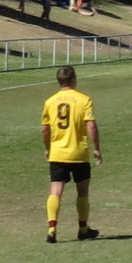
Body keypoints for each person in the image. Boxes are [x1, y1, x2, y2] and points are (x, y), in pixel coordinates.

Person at [41, 64, 101, 243]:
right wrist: (97, 148)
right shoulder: (84, 99)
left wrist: (48, 148)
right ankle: (83, 229)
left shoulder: (50, 101)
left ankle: (52, 228)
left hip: (57, 153)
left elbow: (44, 129)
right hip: (78, 152)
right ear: (74, 79)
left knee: (55, 189)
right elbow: (91, 125)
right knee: (82, 191)